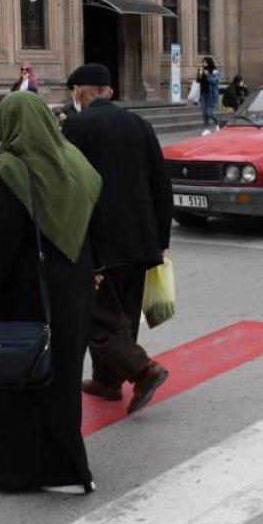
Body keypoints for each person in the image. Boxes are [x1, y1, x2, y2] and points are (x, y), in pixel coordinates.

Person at [0, 92, 104, 495]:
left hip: (27, 294)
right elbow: (97, 217)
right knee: (60, 381)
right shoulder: (74, 161)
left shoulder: (10, 170)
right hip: (73, 292)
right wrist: (96, 269)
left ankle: (37, 469)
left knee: (19, 376)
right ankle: (68, 466)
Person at [61, 63, 172, 414]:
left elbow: (68, 186)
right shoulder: (139, 124)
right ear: (108, 91)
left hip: (99, 242)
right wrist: (161, 237)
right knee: (123, 313)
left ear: (81, 91)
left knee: (98, 317)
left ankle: (143, 370)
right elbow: (161, 184)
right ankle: (108, 383)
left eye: (74, 92)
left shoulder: (75, 126)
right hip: (141, 240)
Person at [198, 57, 221, 134]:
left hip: (211, 94)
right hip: (202, 94)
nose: (203, 64)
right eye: (203, 62)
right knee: (204, 113)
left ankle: (217, 122)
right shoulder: (202, 70)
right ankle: (206, 128)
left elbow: (214, 81)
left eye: (205, 62)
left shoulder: (215, 71)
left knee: (209, 112)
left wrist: (208, 75)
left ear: (209, 62)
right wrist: (199, 74)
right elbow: (198, 81)